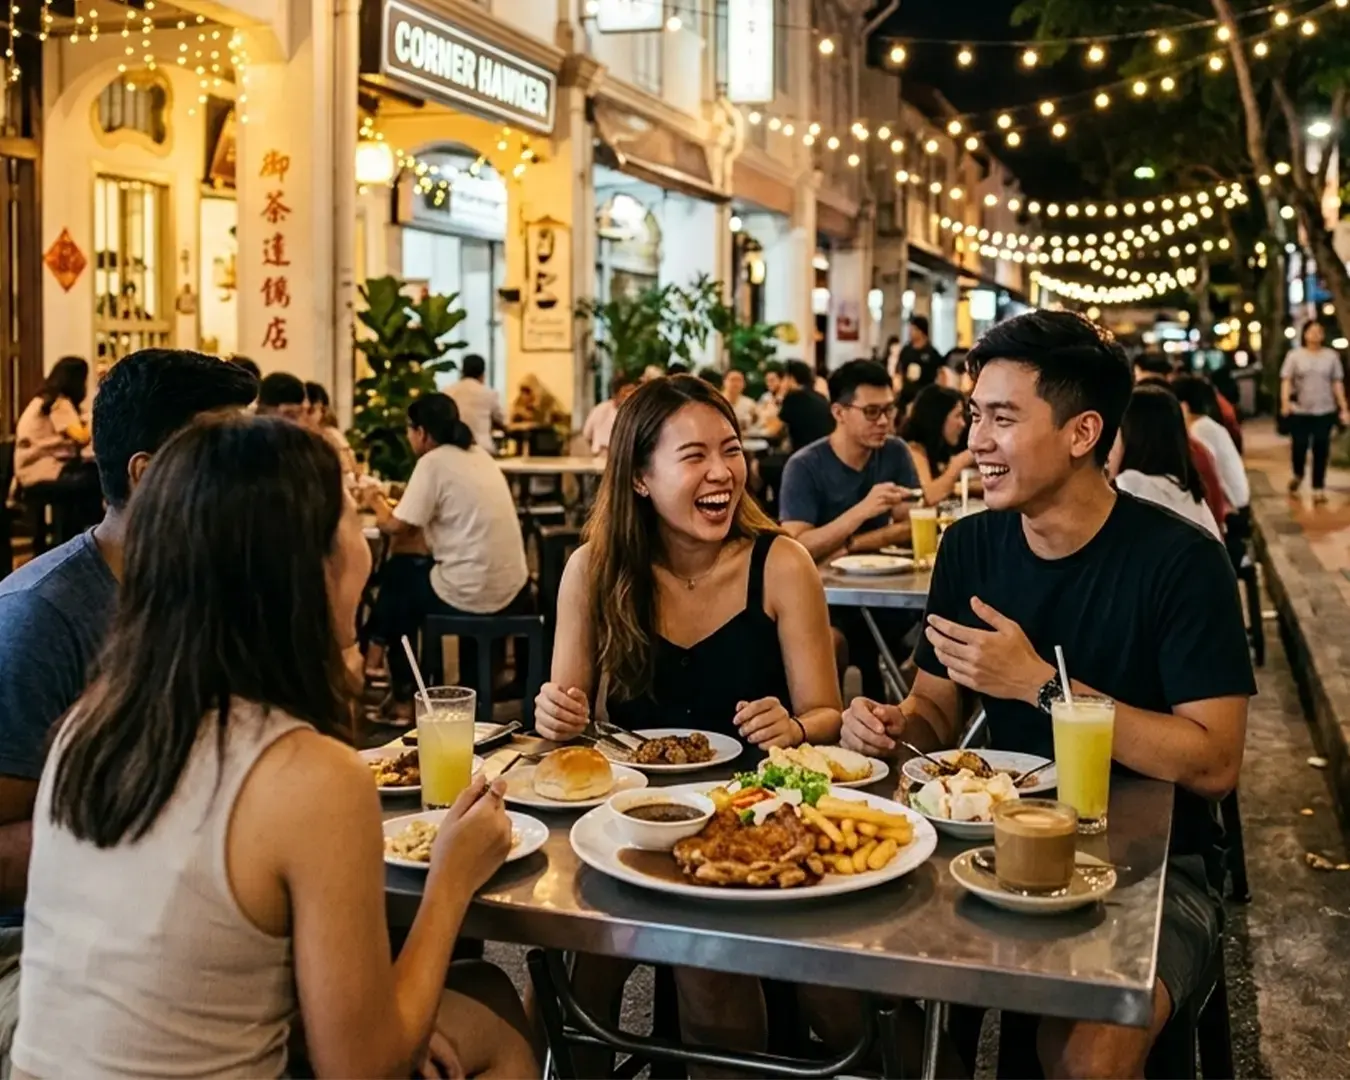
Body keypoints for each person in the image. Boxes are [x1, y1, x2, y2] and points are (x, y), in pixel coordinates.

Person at [13, 415, 536, 1078]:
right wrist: (451, 880)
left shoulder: (90, 726)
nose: (367, 546)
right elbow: (365, 1069)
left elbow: (165, 963)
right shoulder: (312, 777)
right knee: (495, 1012)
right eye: (350, 519)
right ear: (308, 567)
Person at [841, 310, 1254, 1080]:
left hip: (1156, 869)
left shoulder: (1181, 563)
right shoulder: (971, 545)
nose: (977, 443)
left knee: (1086, 1053)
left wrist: (1039, 686)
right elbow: (937, 713)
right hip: (986, 849)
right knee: (860, 995)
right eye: (974, 417)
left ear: (1082, 431)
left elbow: (1213, 762)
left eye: (1003, 419)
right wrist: (892, 727)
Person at [532, 374, 841, 1063]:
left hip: (753, 817)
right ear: (640, 477)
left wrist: (793, 726)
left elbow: (827, 714)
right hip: (632, 816)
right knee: (581, 951)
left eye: (730, 451)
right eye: (693, 455)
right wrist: (557, 713)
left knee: (707, 972)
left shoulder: (781, 564)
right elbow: (568, 725)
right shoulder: (594, 569)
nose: (721, 472)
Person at [0, 350, 259, 1066]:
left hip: (176, 917)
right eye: (223, 460)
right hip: (38, 953)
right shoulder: (38, 619)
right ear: (147, 475)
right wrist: (157, 817)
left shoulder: (202, 594)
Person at [361, 394, 531, 722]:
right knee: (409, 576)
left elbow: (396, 526)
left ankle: (399, 695)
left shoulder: (433, 462)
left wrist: (374, 499)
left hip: (470, 592)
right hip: (514, 589)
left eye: (410, 431)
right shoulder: (478, 454)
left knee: (399, 578)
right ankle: (387, 666)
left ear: (421, 432)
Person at [779, 360, 920, 701]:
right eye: (872, 412)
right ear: (839, 412)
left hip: (891, 598)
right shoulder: (805, 466)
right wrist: (863, 511)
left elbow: (914, 520)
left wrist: (856, 543)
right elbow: (796, 546)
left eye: (889, 409)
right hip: (825, 602)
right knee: (831, 642)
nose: (884, 421)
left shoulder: (895, 452)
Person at [1107, 384, 1221, 540]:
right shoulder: (1188, 494)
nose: (1108, 448)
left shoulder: (1132, 486)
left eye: (1115, 435)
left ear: (1134, 437)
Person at [12, 357, 100, 543]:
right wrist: (93, 418)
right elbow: (80, 437)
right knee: (96, 480)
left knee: (89, 478)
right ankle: (83, 539)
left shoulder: (43, 400)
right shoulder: (58, 403)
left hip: (29, 471)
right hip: (43, 470)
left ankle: (75, 537)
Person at [1280, 320, 1348, 501]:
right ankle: (1298, 474)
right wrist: (1285, 402)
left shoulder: (1331, 357)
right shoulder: (1295, 356)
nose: (1315, 334)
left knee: (1321, 447)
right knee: (1300, 446)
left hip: (1325, 410)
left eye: (1319, 331)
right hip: (1300, 410)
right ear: (1305, 334)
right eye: (1312, 331)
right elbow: (1286, 380)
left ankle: (1318, 487)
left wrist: (1343, 408)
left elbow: (1337, 382)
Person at [1172, 375, 1249, 516]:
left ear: (1183, 406)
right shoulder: (1205, 425)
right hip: (1237, 503)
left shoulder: (1199, 431)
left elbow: (1206, 478)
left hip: (1232, 510)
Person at [898, 384, 975, 506]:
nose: (962, 424)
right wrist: (959, 463)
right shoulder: (913, 450)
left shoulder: (937, 450)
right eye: (957, 415)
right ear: (938, 417)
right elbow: (929, 496)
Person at [762, 359, 834, 450]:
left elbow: (772, 430)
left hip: (805, 456)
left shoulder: (794, 397)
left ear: (791, 379)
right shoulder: (820, 397)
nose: (782, 384)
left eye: (784, 378)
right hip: (825, 452)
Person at [447, 353, 505, 453]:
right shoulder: (489, 393)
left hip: (453, 449)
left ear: (462, 371)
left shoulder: (448, 391)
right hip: (482, 448)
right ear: (483, 373)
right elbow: (502, 420)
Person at [581, 375, 636, 457]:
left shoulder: (634, 412)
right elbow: (587, 435)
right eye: (625, 392)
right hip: (602, 454)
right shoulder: (600, 410)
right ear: (615, 394)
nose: (629, 396)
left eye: (632, 391)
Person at [898, 315, 942, 391]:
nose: (910, 332)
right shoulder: (906, 350)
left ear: (921, 331)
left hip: (926, 393)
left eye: (913, 329)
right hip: (906, 393)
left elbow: (938, 374)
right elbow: (899, 370)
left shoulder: (932, 353)